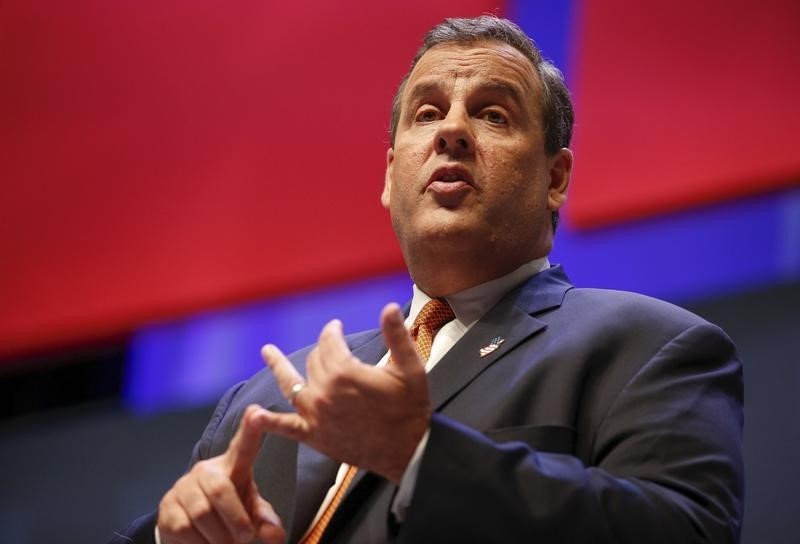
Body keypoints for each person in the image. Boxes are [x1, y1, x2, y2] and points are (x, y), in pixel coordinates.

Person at [113, 15, 743, 544]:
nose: (451, 131)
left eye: (493, 115)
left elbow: (684, 529)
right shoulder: (266, 399)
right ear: (391, 176)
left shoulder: (648, 347)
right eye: (427, 112)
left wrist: (422, 455)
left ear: (555, 179)